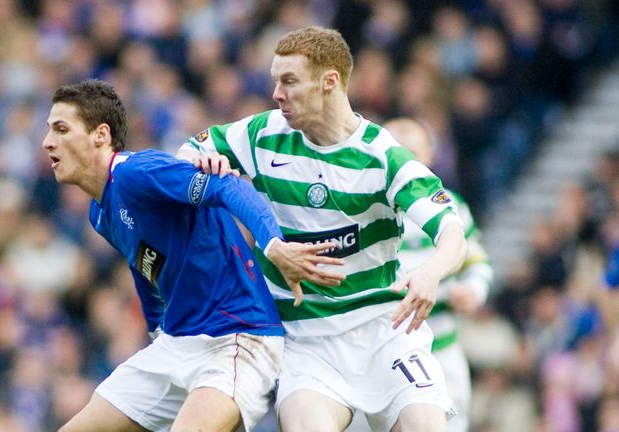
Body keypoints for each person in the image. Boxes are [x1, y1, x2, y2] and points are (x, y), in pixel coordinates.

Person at [177, 27, 468, 432]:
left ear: (330, 82)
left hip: (383, 334)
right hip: (304, 344)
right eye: (275, 81)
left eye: (289, 81)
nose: (277, 94)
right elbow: (188, 153)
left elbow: (452, 232)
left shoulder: (382, 157)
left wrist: (430, 272)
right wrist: (211, 169)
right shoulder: (262, 133)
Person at [42, 79, 346, 432]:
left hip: (238, 337)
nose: (48, 141)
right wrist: (157, 329)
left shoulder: (137, 173)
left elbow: (227, 185)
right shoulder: (100, 214)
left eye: (62, 129)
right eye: (49, 130)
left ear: (100, 135)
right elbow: (144, 263)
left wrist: (274, 246)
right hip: (177, 344)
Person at [384, 117, 494, 432]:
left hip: (441, 346)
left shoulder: (451, 206)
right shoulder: (363, 208)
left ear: (429, 155)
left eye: (413, 154)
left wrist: (474, 290)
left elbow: (477, 262)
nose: (405, 166)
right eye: (398, 155)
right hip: (380, 345)